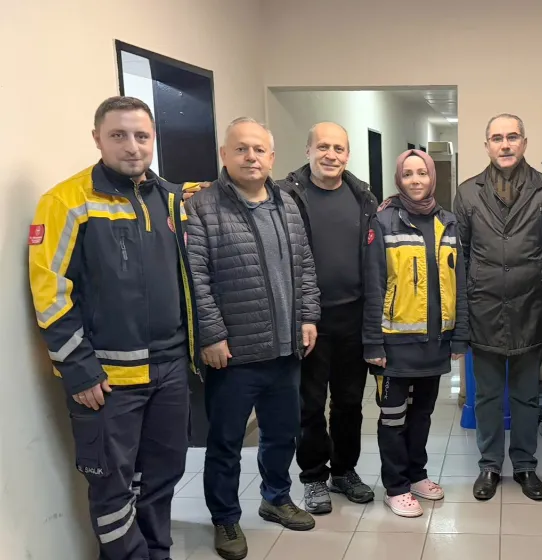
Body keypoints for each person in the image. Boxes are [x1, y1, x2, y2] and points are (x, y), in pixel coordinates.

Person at [28, 96, 199, 560]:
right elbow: (50, 292)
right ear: (97, 139)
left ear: (154, 139)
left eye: (141, 136)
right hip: (106, 379)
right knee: (112, 486)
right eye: (118, 135)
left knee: (161, 475)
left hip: (169, 370)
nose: (132, 146)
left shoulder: (169, 198)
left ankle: (157, 552)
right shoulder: (66, 201)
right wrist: (79, 369)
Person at [185, 117, 321, 560]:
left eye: (259, 149)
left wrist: (308, 316)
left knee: (282, 433)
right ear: (224, 154)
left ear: (272, 157)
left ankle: (275, 498)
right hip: (233, 353)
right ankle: (225, 518)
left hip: (285, 348)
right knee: (226, 443)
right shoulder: (202, 208)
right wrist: (212, 334)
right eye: (241, 148)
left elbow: (305, 265)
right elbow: (196, 278)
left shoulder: (287, 203)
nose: (251, 157)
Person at [453, 113, 542, 501]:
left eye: (512, 136)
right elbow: (460, 260)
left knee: (526, 396)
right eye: (497, 138)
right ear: (487, 146)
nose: (505, 144)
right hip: (483, 310)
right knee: (486, 396)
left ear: (524, 143)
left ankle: (525, 465)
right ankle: (489, 465)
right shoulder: (467, 193)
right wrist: (462, 318)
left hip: (531, 310)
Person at [362, 149, 469, 517]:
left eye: (422, 172)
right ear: (399, 179)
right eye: (408, 174)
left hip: (435, 343)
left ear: (432, 177)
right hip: (394, 344)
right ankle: (395, 486)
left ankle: (417, 475)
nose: (416, 180)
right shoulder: (383, 221)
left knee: (422, 415)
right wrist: (372, 342)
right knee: (394, 419)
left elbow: (460, 283)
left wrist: (460, 334)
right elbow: (374, 285)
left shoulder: (448, 223)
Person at [278, 122, 377, 512]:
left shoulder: (362, 196)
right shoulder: (287, 196)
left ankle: (344, 471)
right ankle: (314, 477)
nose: (330, 155)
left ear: (347, 155)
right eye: (322, 147)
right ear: (308, 150)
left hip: (353, 317)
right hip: (308, 321)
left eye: (338, 148)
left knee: (350, 403)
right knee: (310, 405)